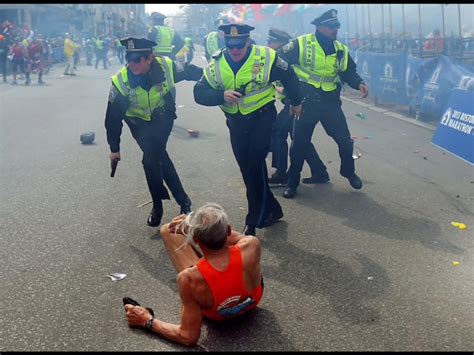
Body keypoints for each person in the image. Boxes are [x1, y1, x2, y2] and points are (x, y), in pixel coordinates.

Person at [193, 23, 303, 236]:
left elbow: (289, 76)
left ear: (248, 41)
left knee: (254, 163)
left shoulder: (266, 57)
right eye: (231, 45)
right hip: (236, 124)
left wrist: (296, 101)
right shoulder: (216, 64)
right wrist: (221, 95)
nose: (235, 50)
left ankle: (253, 221)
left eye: (239, 45)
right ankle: (273, 209)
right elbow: (199, 93)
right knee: (249, 170)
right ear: (225, 42)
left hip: (263, 117)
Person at [123, 203, 263, 347]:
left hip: (219, 315)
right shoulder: (252, 245)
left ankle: (207, 250)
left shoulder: (188, 278)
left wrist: (147, 321)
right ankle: (211, 244)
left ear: (195, 239)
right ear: (228, 230)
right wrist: (200, 227)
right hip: (252, 300)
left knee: (168, 230)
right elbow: (234, 237)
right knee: (175, 231)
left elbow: (188, 337)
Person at [105, 37, 203, 227]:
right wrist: (114, 148)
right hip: (138, 123)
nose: (131, 64)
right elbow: (112, 118)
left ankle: (158, 207)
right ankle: (184, 202)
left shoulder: (167, 67)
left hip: (161, 116)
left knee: (150, 160)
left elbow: (191, 71)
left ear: (149, 58)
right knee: (159, 158)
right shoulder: (121, 81)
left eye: (137, 60)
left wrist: (212, 80)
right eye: (129, 59)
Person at [277, 9, 369, 199]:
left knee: (345, 141)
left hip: (330, 104)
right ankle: (292, 183)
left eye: (337, 26)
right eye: (331, 26)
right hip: (306, 102)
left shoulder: (340, 49)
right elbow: (279, 63)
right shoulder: (301, 43)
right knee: (299, 145)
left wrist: (359, 83)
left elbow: (348, 71)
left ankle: (348, 172)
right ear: (319, 27)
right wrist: (287, 92)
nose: (335, 29)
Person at [266, 28, 328, 186]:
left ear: (280, 44)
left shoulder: (287, 58)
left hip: (298, 101)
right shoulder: (276, 56)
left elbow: (295, 81)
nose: (269, 45)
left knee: (279, 131)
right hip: (293, 101)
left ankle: (281, 174)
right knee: (299, 138)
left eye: (271, 42)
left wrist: (284, 92)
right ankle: (320, 171)